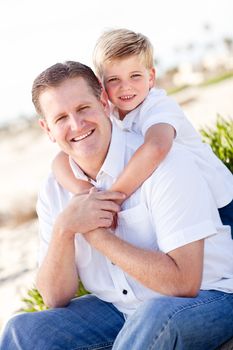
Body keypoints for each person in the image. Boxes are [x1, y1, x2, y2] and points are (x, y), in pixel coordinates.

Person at [1, 61, 233, 350]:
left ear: (103, 102)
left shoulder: (164, 163)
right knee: (22, 331)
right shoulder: (54, 190)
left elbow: (184, 283)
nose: (76, 125)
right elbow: (54, 297)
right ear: (47, 129)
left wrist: (96, 234)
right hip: (123, 309)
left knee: (154, 316)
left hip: (211, 296)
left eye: (83, 108)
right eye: (61, 118)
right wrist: (65, 228)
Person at [52, 28, 233, 233]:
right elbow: (60, 161)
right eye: (114, 80)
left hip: (219, 200)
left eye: (135, 76)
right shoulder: (107, 112)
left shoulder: (158, 106)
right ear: (100, 85)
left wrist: (112, 199)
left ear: (151, 78)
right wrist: (87, 194)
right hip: (177, 200)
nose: (125, 87)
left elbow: (156, 147)